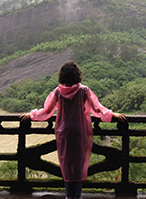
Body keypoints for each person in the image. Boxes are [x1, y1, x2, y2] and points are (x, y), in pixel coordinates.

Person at [21, 61, 126, 199]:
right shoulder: (84, 91)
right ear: (77, 75)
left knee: (66, 164)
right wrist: (112, 115)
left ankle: (68, 196)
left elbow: (47, 111)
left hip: (63, 132)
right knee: (79, 165)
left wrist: (31, 114)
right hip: (79, 132)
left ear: (62, 76)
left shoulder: (58, 92)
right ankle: (77, 196)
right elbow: (97, 109)